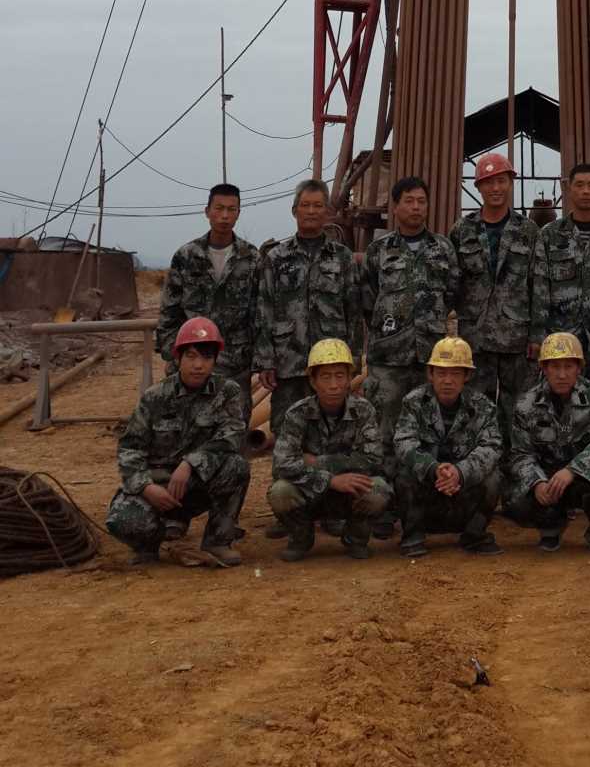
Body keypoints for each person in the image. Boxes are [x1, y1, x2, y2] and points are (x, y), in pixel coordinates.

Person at [106, 317, 248, 568]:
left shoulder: (228, 392)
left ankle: (217, 541)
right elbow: (130, 449)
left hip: (197, 481)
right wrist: (146, 487)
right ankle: (150, 543)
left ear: (215, 360)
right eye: (191, 356)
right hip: (157, 484)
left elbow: (232, 436)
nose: (198, 365)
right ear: (178, 358)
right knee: (122, 521)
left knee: (236, 466)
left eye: (206, 357)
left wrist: (190, 464)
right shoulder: (155, 397)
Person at [253, 179, 362, 439]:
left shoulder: (342, 257)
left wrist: (355, 358)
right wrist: (265, 361)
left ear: (326, 211)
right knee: (287, 434)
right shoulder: (276, 258)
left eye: (317, 206)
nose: (311, 211)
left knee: (332, 435)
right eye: (305, 205)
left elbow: (353, 311)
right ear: (294, 211)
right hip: (289, 364)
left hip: (331, 366)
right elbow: (264, 309)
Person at [267, 340, 391, 562]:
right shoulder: (297, 413)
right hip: (311, 490)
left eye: (340, 376)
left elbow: (372, 459)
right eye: (325, 377)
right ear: (313, 382)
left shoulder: (363, 410)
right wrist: (331, 480)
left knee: (379, 490)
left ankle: (355, 538)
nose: (334, 385)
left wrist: (315, 462)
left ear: (348, 380)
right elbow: (283, 464)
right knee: (280, 492)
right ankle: (301, 538)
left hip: (348, 490)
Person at [361, 176, 460, 450]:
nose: (416, 207)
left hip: (431, 357)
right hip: (388, 359)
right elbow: (368, 299)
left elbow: (452, 293)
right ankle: (384, 489)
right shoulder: (378, 251)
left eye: (421, 201)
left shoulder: (443, 248)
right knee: (384, 429)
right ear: (395, 207)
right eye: (409, 201)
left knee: (430, 428)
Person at [506, 332, 590, 556]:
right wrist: (537, 482)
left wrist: (573, 470)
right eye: (555, 367)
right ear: (544, 368)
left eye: (569, 366)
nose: (562, 374)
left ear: (579, 368)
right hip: (548, 478)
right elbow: (519, 453)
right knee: (513, 499)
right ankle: (550, 526)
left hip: (584, 477)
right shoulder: (526, 404)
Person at [450, 153, 538, 441]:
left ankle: (516, 466)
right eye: (488, 183)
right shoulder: (462, 231)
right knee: (476, 407)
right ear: (478, 187)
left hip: (517, 338)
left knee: (518, 408)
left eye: (501, 181)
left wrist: (537, 335)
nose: (495, 188)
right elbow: (451, 284)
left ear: (510, 183)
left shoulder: (528, 232)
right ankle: (481, 465)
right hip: (475, 338)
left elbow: (538, 286)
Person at [392, 337, 504, 558]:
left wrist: (460, 472)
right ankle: (413, 535)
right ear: (430, 374)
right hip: (428, 489)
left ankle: (474, 535)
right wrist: (434, 468)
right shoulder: (413, 402)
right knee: (404, 475)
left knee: (494, 478)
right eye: (441, 373)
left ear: (467, 376)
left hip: (463, 491)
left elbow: (492, 447)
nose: (448, 381)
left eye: (455, 374)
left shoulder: (483, 406)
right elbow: (403, 442)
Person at [157, 183, 259, 421]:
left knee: (233, 430)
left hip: (235, 364)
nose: (224, 216)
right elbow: (169, 311)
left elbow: (259, 313)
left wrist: (258, 358)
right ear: (207, 211)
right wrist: (172, 355)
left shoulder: (252, 258)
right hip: (191, 362)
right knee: (186, 428)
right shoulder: (186, 256)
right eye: (219, 208)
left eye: (231, 209)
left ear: (238, 213)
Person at [529, 163, 590, 410]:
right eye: (579, 185)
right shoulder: (550, 235)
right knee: (561, 407)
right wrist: (538, 335)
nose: (585, 191)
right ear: (569, 190)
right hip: (562, 339)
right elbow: (541, 287)